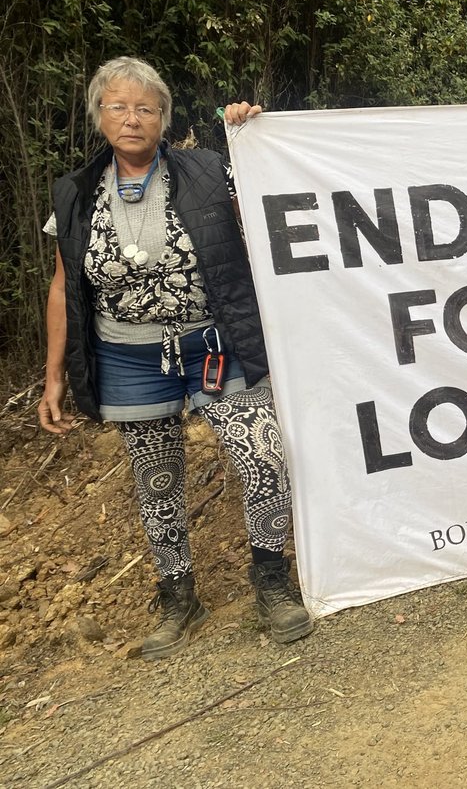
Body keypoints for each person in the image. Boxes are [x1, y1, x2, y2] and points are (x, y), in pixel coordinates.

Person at [38, 56, 313, 660]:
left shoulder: (210, 171)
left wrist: (252, 136)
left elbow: (268, 208)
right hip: (128, 357)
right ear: (99, 116)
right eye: (118, 106)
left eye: (146, 107)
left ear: (164, 117)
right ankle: (178, 596)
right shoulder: (76, 191)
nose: (132, 118)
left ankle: (271, 581)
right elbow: (63, 285)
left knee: (263, 456)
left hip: (215, 344)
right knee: (156, 481)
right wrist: (54, 374)